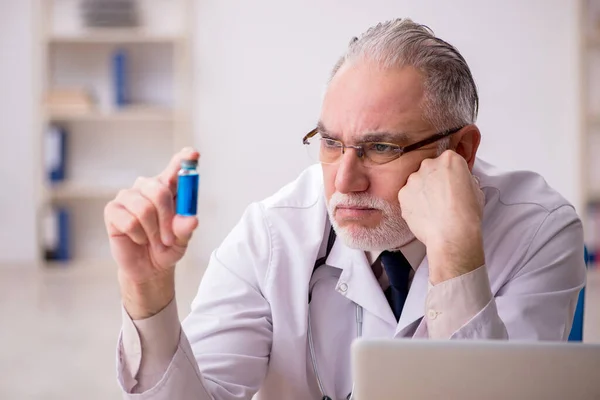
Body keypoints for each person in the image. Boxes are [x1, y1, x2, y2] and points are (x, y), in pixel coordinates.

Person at [105, 18, 586, 400]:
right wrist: (147, 293)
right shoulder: (272, 235)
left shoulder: (539, 230)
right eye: (332, 143)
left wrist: (457, 257)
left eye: (380, 148)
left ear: (459, 151)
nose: (345, 181)